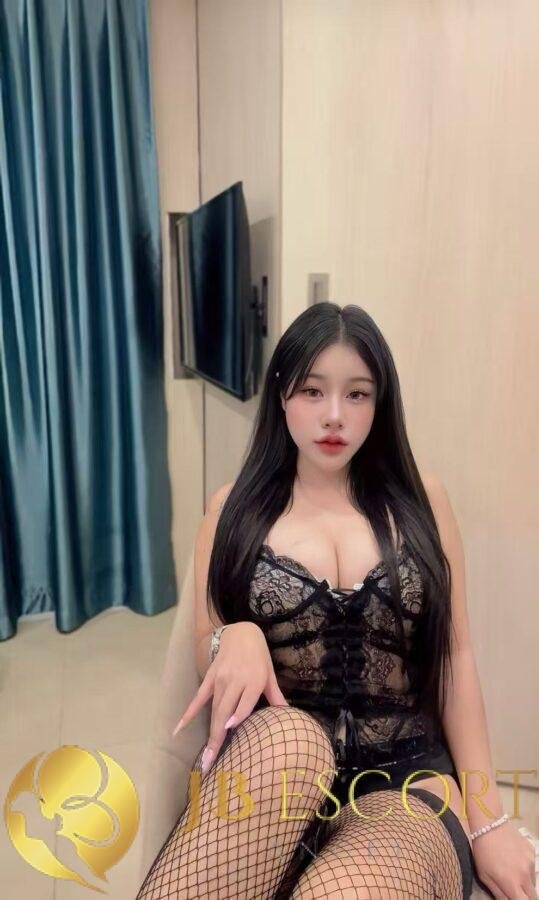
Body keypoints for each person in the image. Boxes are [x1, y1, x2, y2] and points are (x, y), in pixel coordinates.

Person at [136, 303, 536, 899]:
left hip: (404, 788)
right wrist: (232, 637)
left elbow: (457, 657)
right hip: (278, 775)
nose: (333, 415)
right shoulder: (231, 510)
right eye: (312, 390)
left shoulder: (423, 503)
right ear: (282, 395)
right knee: (292, 736)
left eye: (357, 395)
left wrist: (490, 821)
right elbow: (205, 647)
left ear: (380, 403)